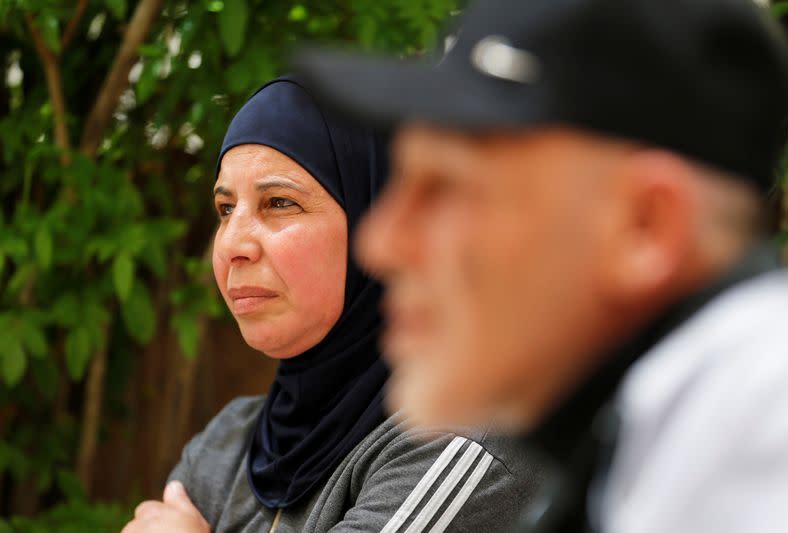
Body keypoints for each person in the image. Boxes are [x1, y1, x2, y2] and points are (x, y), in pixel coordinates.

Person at [295, 0, 788, 531]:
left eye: (446, 188)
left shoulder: (768, 421)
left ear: (645, 227)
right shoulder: (650, 430)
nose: (381, 243)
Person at [121, 76, 539, 533]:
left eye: (279, 202)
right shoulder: (229, 441)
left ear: (375, 220)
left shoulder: (457, 444)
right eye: (225, 209)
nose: (232, 244)